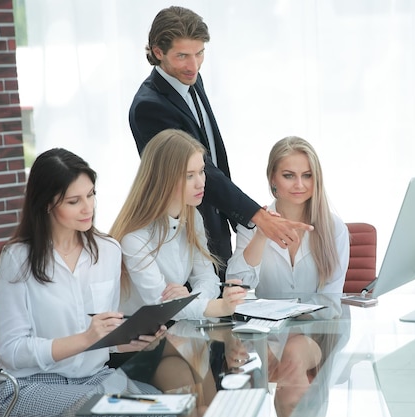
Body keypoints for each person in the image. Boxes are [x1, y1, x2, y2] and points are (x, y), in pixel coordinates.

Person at [128, 6, 313, 277]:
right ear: (158, 52)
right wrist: (256, 216)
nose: (193, 65)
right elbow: (198, 169)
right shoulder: (149, 107)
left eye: (199, 53)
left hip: (214, 221)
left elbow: (213, 154)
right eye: (182, 56)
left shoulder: (191, 79)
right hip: (184, 231)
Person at [0, 148, 165, 417]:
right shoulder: (17, 259)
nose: (88, 208)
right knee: (112, 410)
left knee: (165, 405)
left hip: (93, 380)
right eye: (74, 201)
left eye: (91, 194)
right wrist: (84, 339)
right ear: (47, 203)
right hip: (27, 387)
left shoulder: (108, 251)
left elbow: (102, 339)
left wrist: (130, 340)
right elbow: (12, 350)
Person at [109, 129, 247, 321]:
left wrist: (188, 299)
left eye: (201, 171)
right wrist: (221, 306)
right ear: (163, 179)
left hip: (172, 334)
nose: (200, 183)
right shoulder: (134, 237)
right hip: (134, 343)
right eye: (189, 175)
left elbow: (208, 279)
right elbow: (161, 306)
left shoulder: (192, 217)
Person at [226, 136, 350, 295]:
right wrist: (261, 236)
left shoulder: (335, 227)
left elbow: (331, 296)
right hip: (269, 319)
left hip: (318, 320)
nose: (299, 184)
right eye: (288, 175)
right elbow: (237, 285)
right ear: (272, 179)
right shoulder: (251, 225)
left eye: (307, 175)